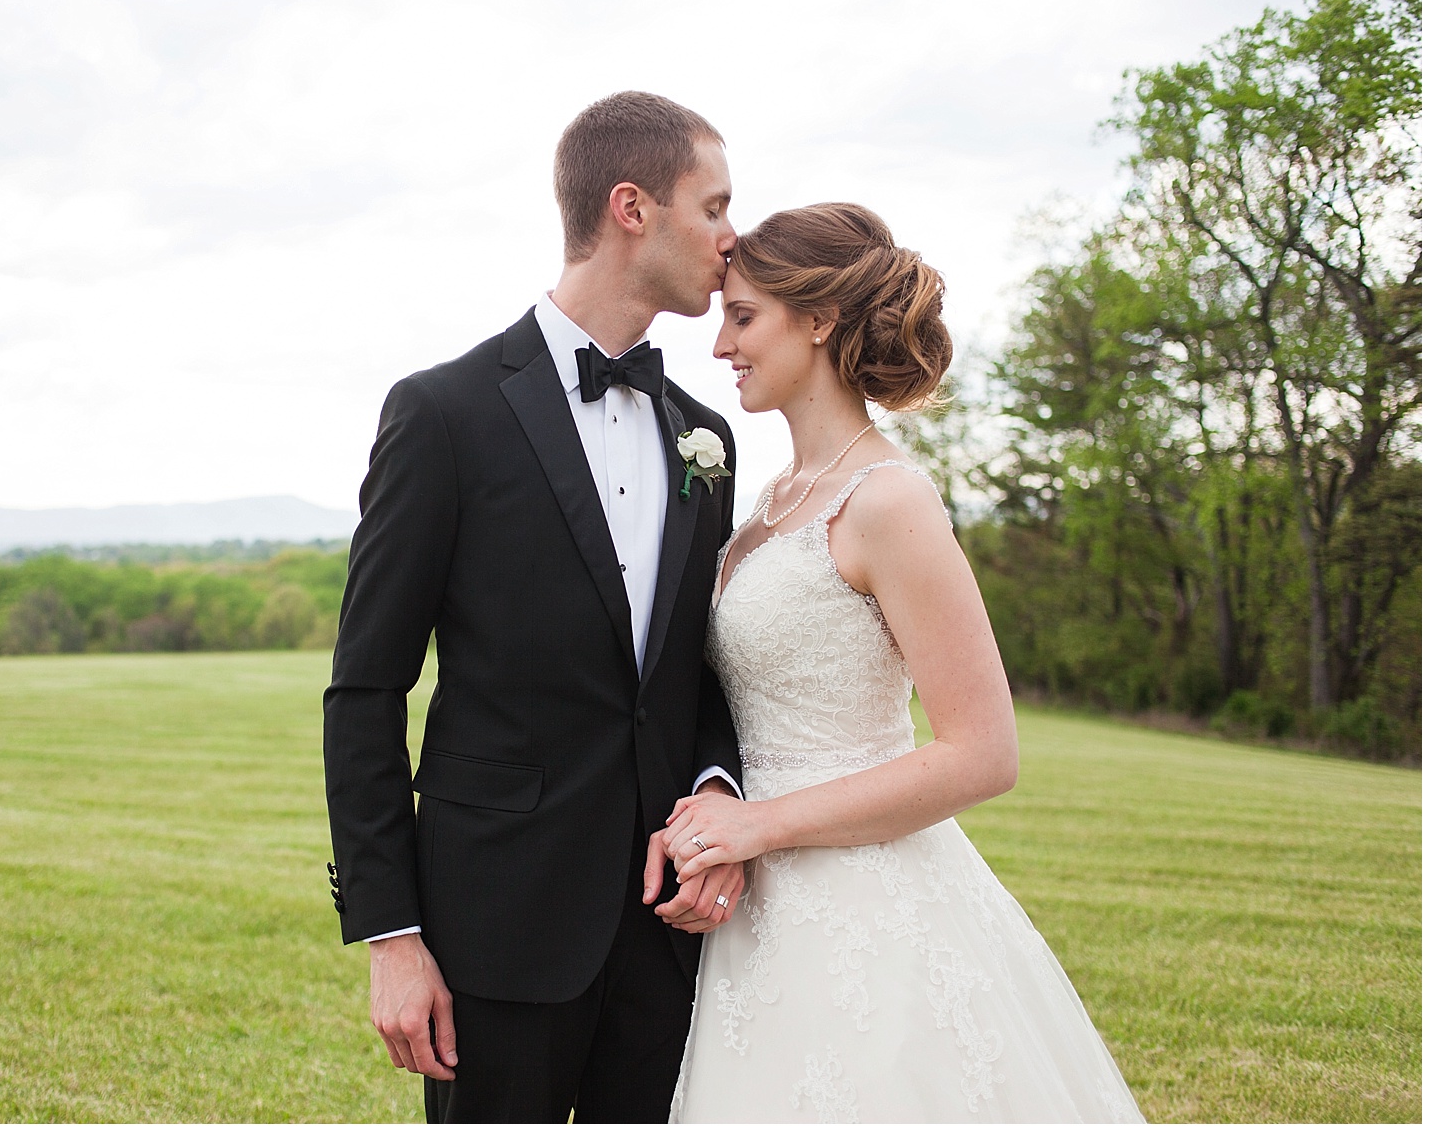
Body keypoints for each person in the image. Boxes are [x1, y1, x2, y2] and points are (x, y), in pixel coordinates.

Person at [657, 203, 1147, 1122]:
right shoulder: (766, 500)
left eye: (743, 316)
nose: (719, 342)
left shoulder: (888, 500)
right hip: (755, 902)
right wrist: (729, 807)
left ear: (818, 321)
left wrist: (764, 824)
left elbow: (982, 754)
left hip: (866, 900)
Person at [322, 91, 748, 1123]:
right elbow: (367, 687)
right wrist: (392, 937)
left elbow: (694, 672)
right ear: (632, 207)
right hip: (493, 938)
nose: (733, 239)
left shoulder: (705, 437)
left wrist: (720, 784)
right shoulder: (443, 413)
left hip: (666, 937)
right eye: (716, 205)